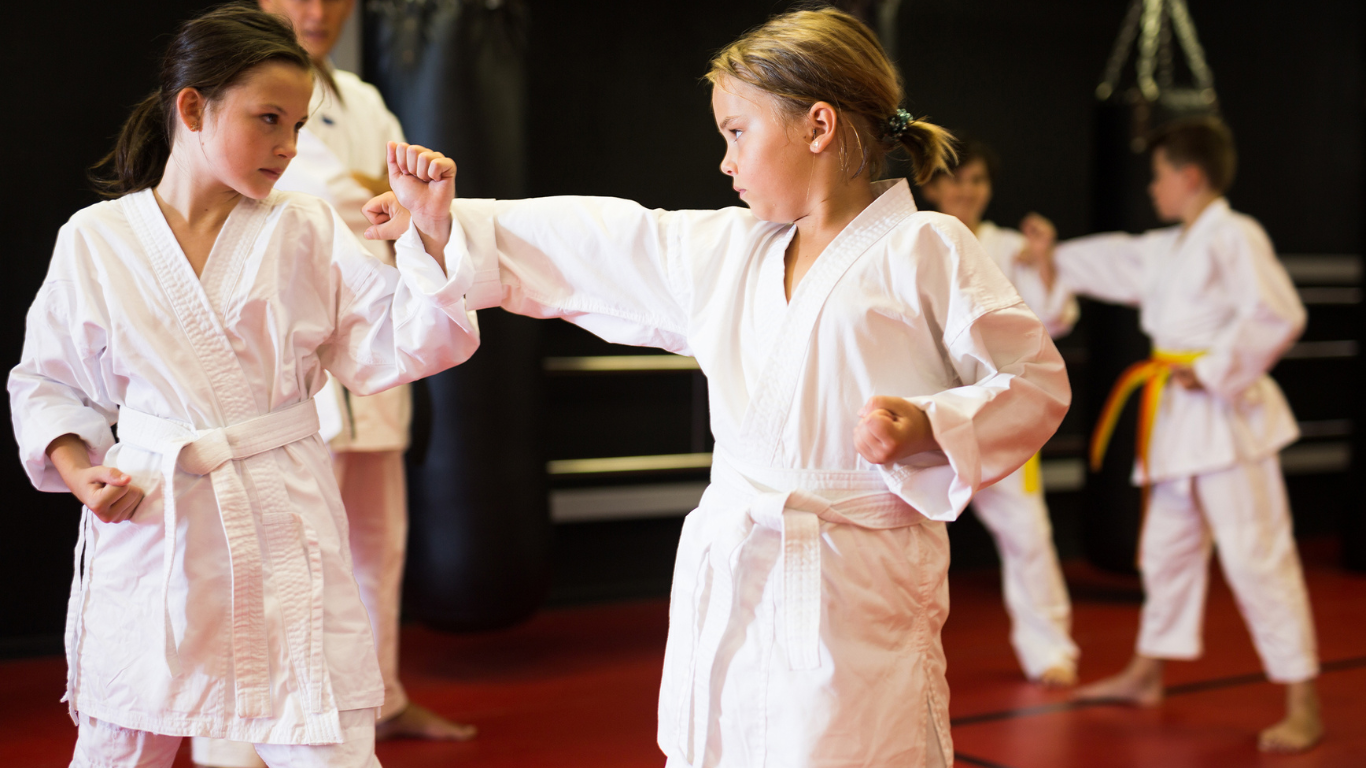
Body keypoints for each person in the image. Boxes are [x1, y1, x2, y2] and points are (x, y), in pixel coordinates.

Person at [366, 8, 1070, 766]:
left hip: (855, 584)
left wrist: (931, 425)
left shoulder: (927, 246)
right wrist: (446, 227)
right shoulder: (732, 249)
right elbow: (609, 240)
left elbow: (1032, 381)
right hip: (737, 561)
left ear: (819, 127)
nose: (726, 162)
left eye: (738, 133)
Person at [8, 5, 474, 767]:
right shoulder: (95, 241)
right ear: (192, 106)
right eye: (268, 120)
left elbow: (402, 343)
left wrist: (428, 236)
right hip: (154, 517)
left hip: (279, 509)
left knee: (324, 744)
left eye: (298, 125)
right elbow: (48, 383)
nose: (289, 148)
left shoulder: (307, 228)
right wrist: (76, 472)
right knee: (119, 748)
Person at [191, 1, 474, 765]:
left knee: (377, 542)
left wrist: (378, 208)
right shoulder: (240, 102)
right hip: (294, 362)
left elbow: (372, 198)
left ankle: (381, 697)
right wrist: (367, 203)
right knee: (275, 554)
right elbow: (311, 201)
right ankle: (239, 735)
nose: (317, 12)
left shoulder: (361, 97)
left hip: (376, 329)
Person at [1019, 116, 1323, 753]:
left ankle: (1305, 703)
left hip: (1226, 417)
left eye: (1159, 176)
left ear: (1190, 176)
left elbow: (1280, 314)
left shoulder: (1234, 235)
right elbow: (1122, 257)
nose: (1153, 187)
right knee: (1166, 552)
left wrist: (1211, 371)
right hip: (1179, 421)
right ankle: (1146, 673)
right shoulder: (1176, 244)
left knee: (1257, 557)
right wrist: (1052, 256)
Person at [919, 139, 1081, 686]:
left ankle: (1050, 649)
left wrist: (1046, 264)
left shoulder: (1012, 247)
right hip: (926, 410)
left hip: (995, 408)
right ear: (932, 184)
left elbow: (1057, 319)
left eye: (978, 181)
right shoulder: (911, 240)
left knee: (1028, 533)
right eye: (956, 180)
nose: (967, 191)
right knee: (900, 532)